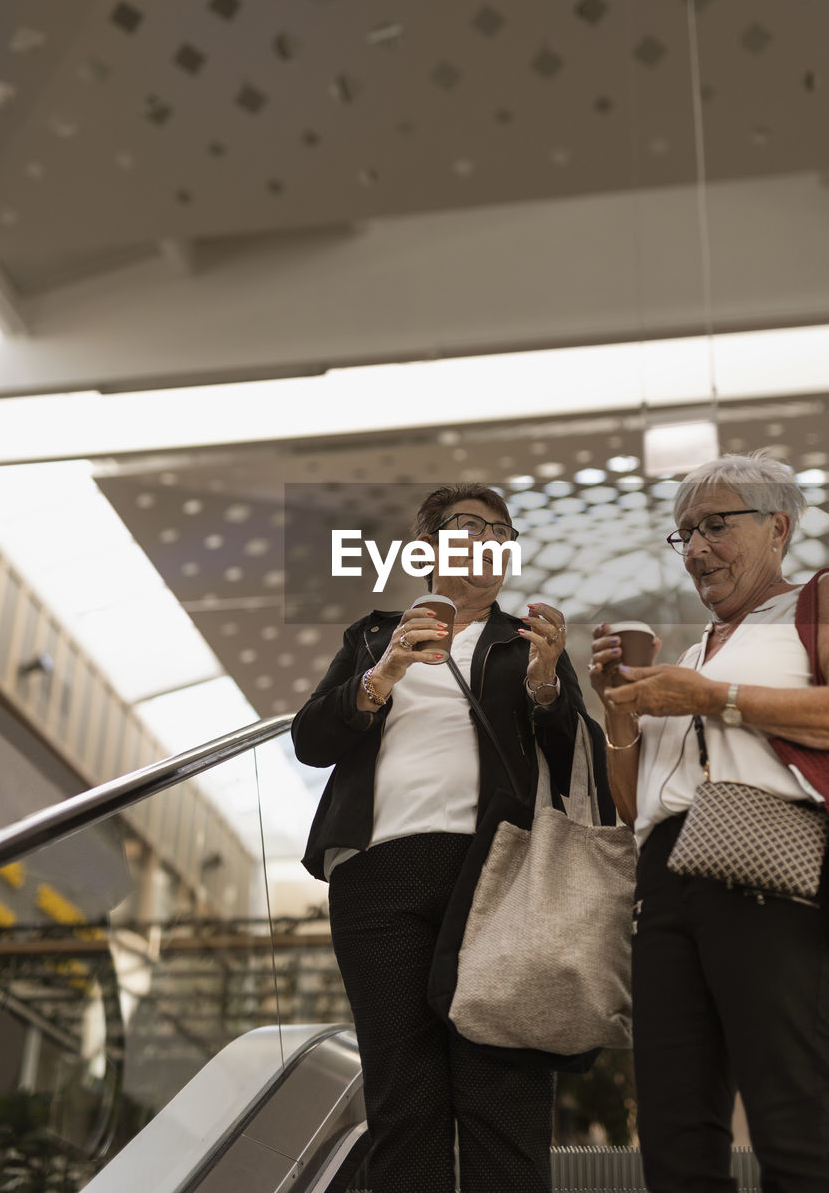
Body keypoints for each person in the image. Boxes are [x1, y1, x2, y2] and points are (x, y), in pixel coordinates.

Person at [293, 482, 613, 1193]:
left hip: (497, 872)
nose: (492, 539)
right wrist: (380, 678)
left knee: (502, 1097)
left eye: (503, 531)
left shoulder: (526, 642)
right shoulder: (376, 636)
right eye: (471, 525)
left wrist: (547, 692)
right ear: (426, 548)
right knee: (403, 1098)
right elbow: (311, 740)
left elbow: (579, 762)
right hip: (377, 874)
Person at [588, 452, 829, 1193]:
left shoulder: (810, 606)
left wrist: (712, 698)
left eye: (715, 526)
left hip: (762, 864)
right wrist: (619, 707)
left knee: (793, 1117)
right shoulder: (692, 656)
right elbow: (633, 809)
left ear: (777, 527)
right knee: (674, 1137)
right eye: (684, 533)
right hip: (662, 888)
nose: (696, 549)